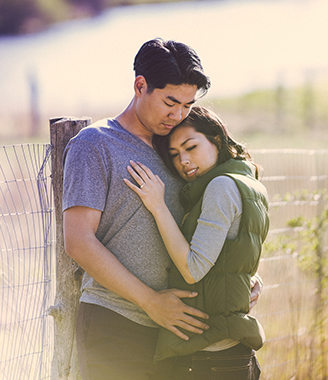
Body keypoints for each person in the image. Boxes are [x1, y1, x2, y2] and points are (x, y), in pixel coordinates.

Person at [62, 38, 262, 380]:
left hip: (179, 332)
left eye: (187, 104)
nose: (179, 114)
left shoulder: (179, 149)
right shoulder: (95, 145)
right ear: (141, 85)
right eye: (171, 102)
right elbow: (79, 241)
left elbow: (212, 222)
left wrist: (240, 275)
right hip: (118, 323)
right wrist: (151, 302)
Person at [124, 106, 269, 379]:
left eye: (191, 147)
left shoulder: (220, 187)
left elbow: (193, 269)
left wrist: (158, 207)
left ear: (216, 140)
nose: (184, 161)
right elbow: (235, 250)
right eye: (175, 155)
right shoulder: (248, 183)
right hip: (232, 354)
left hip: (210, 358)